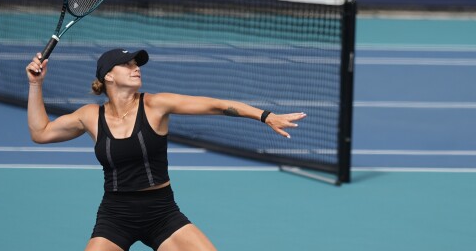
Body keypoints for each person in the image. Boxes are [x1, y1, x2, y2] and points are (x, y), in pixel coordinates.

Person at [26, 48, 306, 251]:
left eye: (137, 64)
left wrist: (266, 115)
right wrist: (35, 84)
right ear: (108, 77)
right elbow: (41, 133)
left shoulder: (156, 105)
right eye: (127, 64)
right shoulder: (89, 116)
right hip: (115, 215)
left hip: (161, 212)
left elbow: (217, 105)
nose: (136, 68)